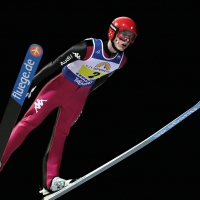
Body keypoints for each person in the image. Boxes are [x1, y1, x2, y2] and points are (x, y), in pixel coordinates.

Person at [0, 16, 137, 196]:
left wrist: (85, 92)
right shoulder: (87, 48)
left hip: (79, 97)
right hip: (59, 87)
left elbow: (103, 77)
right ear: (113, 32)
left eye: (131, 37)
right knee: (30, 122)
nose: (126, 40)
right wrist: (32, 82)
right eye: (124, 35)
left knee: (62, 133)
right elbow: (56, 63)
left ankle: (51, 181)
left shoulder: (121, 61)